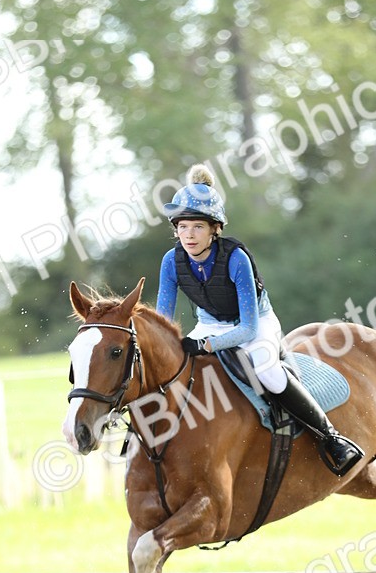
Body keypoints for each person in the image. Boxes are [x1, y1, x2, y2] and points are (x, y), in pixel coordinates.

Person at [155, 164, 364, 476]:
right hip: (210, 321)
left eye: (197, 227)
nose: (188, 235)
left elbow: (248, 328)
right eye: (182, 227)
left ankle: (331, 438)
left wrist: (207, 344)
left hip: (255, 323)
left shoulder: (236, 258)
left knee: (268, 372)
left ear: (215, 228)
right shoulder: (171, 261)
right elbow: (162, 322)